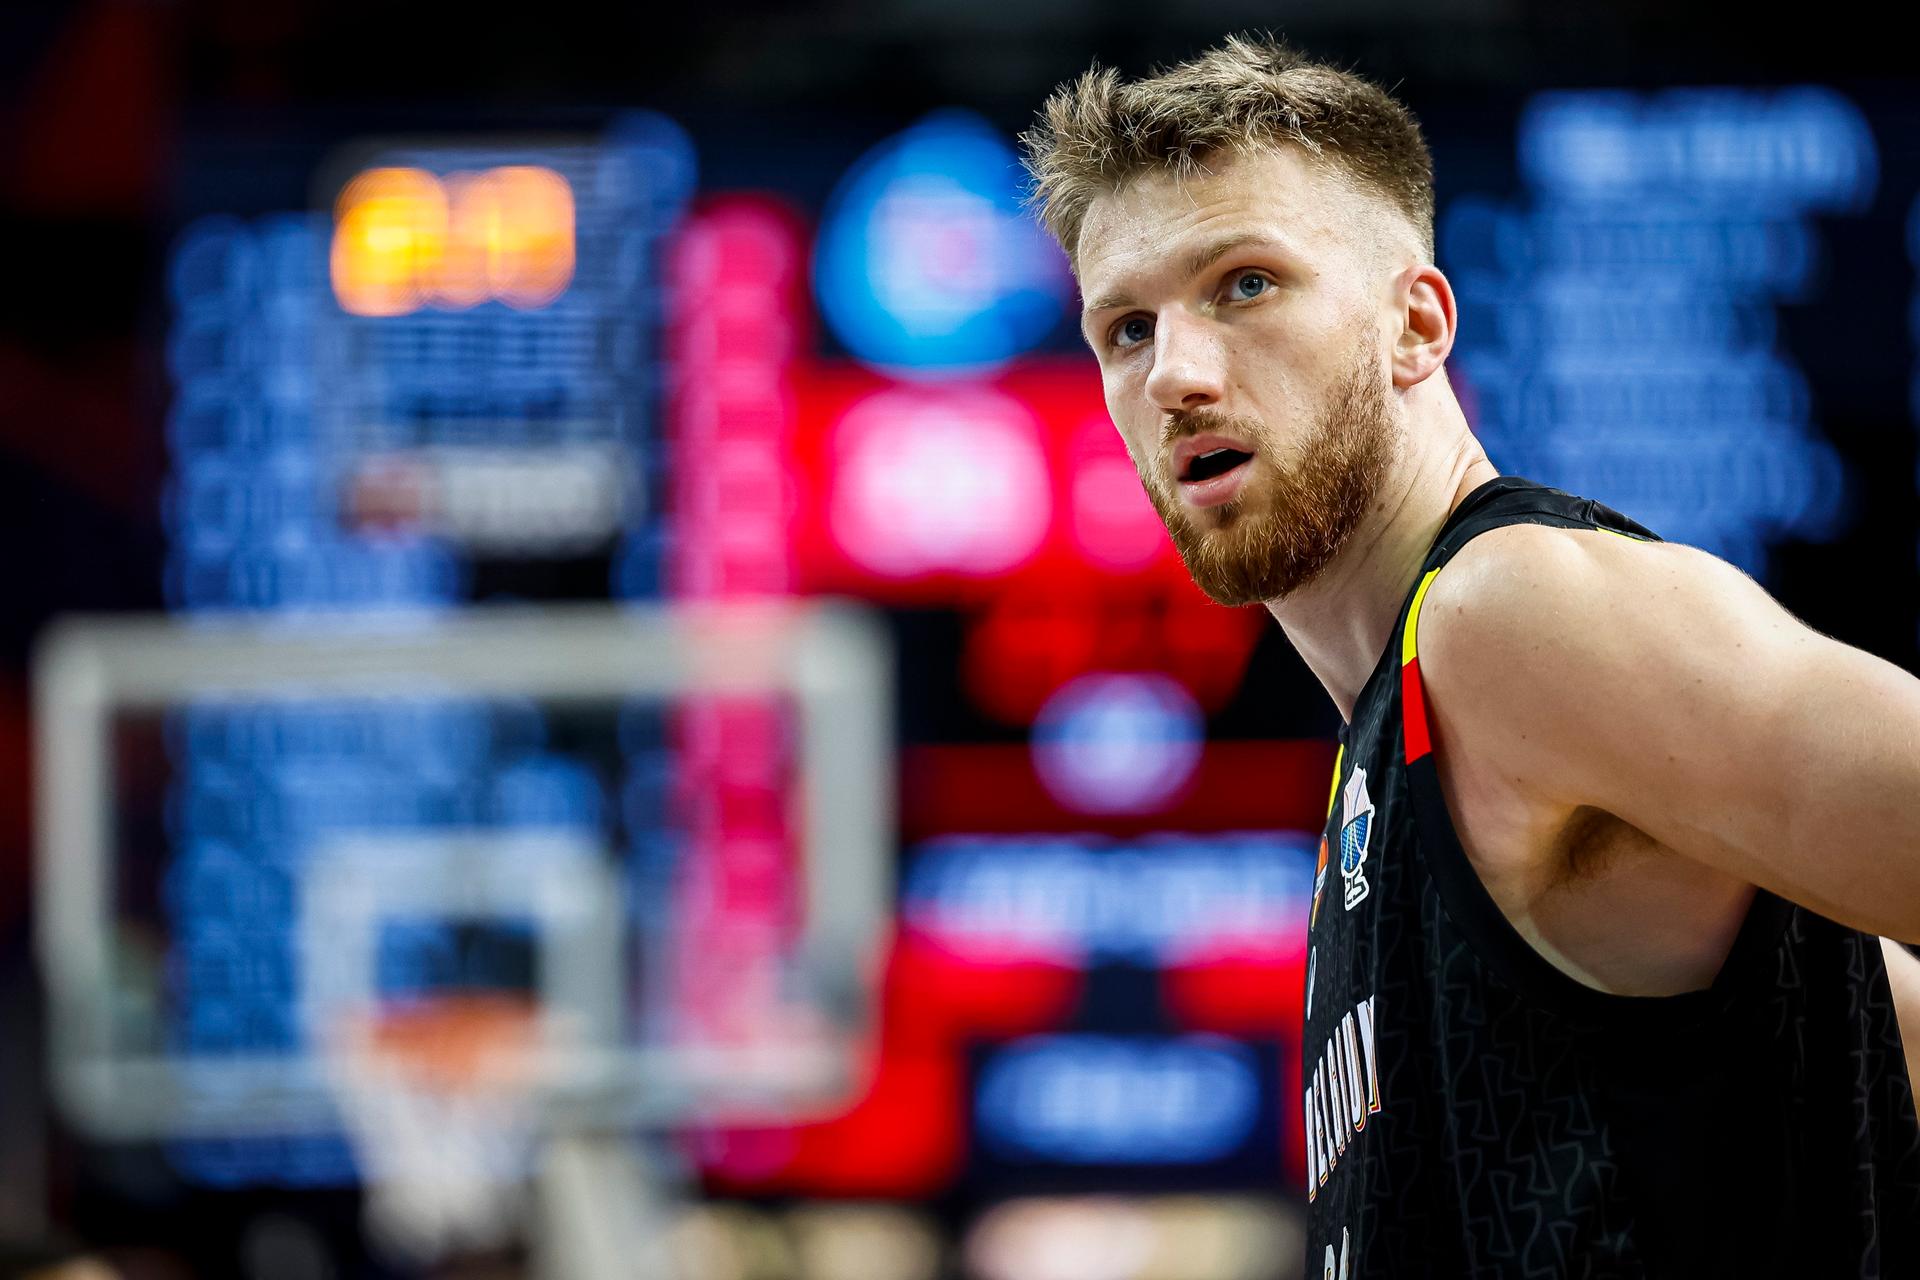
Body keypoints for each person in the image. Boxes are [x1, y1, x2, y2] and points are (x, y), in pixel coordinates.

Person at [1020, 33, 1920, 1278]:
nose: (1173, 372)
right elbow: (1859, 1037)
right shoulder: (1394, 742)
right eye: (1125, 327)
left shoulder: (1507, 610)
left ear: (1417, 323)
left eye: (1244, 283)